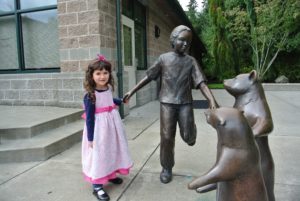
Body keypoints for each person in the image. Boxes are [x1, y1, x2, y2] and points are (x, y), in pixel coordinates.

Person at [123, 25, 218, 184]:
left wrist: (211, 99)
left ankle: (190, 133)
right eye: (182, 40)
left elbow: (201, 83)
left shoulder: (191, 61)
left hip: (185, 103)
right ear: (173, 40)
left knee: (187, 136)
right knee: (167, 137)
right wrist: (132, 91)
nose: (186, 44)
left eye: (188, 42)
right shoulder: (163, 59)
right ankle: (167, 167)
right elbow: (148, 77)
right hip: (167, 103)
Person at [82, 54, 133, 201]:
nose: (102, 76)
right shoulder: (90, 95)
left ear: (109, 74)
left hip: (112, 129)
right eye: (98, 73)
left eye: (105, 73)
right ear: (91, 76)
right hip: (98, 130)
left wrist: (121, 100)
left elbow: (110, 100)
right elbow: (90, 118)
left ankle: (109, 174)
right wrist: (90, 138)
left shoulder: (108, 89)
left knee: (111, 150)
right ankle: (97, 185)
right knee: (99, 154)